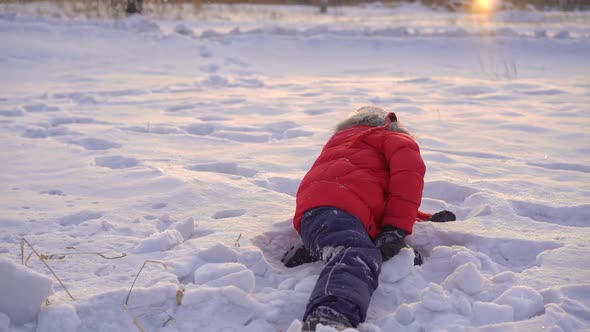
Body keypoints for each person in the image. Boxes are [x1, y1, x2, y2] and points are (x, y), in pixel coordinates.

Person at [284, 106, 455, 331]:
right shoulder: (396, 139)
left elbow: (365, 189)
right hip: (341, 209)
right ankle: (331, 316)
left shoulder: (342, 141)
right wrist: (396, 229)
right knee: (357, 253)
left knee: (347, 241)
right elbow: (406, 184)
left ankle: (317, 248)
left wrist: (422, 217)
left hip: (312, 212)